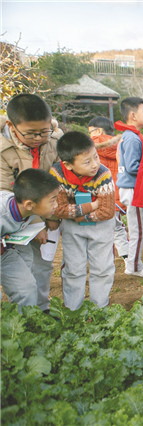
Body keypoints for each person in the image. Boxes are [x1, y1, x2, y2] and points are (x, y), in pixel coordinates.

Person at [0, 93, 63, 311]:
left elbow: (59, 181)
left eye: (43, 132)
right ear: (12, 126)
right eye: (31, 133)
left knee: (41, 265)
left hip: (44, 211)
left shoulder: (54, 142)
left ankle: (39, 309)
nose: (38, 138)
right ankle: (21, 312)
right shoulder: (2, 148)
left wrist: (52, 216)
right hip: (17, 214)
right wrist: (35, 223)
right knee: (20, 267)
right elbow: (5, 190)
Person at [50, 132, 116, 310]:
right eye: (87, 162)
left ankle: (99, 307)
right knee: (73, 268)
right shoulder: (57, 174)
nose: (95, 164)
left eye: (96, 157)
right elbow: (59, 209)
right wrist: (92, 206)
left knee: (102, 267)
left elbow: (107, 211)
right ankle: (73, 309)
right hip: (73, 228)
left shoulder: (103, 174)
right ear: (68, 165)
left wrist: (76, 214)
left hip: (101, 226)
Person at [1, 169, 59, 308]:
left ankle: (21, 320)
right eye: (52, 201)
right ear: (29, 204)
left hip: (5, 251)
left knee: (26, 290)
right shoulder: (3, 214)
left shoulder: (27, 208)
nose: (56, 205)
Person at [115, 96, 143, 278]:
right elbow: (133, 167)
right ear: (133, 115)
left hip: (132, 189)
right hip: (133, 190)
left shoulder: (130, 136)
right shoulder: (132, 138)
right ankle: (133, 266)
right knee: (139, 229)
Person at [88, 116, 128, 260]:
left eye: (91, 132)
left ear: (99, 131)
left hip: (99, 196)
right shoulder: (122, 144)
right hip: (118, 195)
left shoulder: (90, 146)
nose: (90, 135)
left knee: (100, 232)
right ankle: (128, 259)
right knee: (118, 228)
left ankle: (104, 260)